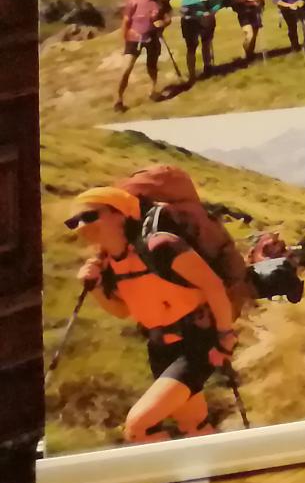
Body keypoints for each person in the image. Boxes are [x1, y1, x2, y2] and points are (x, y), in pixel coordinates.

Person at [62, 186, 236, 443]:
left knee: (139, 427)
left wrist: (225, 336)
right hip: (160, 349)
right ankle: (217, 463)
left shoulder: (160, 246)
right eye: (73, 222)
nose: (81, 226)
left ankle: (169, 468)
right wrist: (97, 287)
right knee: (193, 426)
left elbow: (213, 286)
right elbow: (122, 311)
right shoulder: (107, 265)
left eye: (89, 216)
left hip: (197, 341)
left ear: (120, 214)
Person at [113, 0, 172, 110]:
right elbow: (126, 21)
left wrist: (163, 23)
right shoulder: (134, 1)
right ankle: (118, 100)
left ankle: (153, 91)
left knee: (152, 66)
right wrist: (124, 38)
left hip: (153, 37)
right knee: (126, 69)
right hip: (134, 38)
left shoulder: (161, 1)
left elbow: (168, 18)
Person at [175, 0, 227, 85]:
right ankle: (192, 75)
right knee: (192, 47)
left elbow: (218, 2)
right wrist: (199, 0)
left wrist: (212, 11)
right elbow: (184, 2)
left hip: (208, 19)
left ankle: (207, 68)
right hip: (191, 20)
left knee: (206, 43)